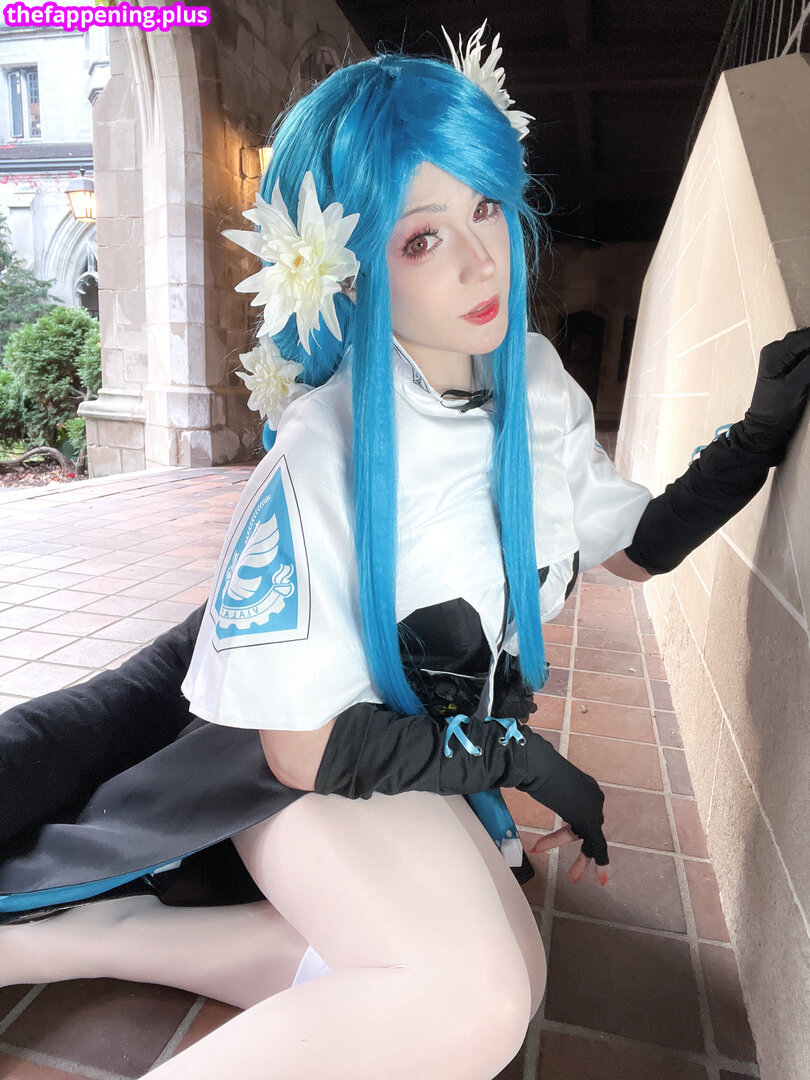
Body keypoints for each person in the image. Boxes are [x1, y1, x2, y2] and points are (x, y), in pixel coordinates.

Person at [2, 27, 809, 1080]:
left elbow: (630, 550)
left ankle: (84, 941)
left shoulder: (536, 378)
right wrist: (514, 757)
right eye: (421, 238)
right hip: (292, 776)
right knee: (471, 1000)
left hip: (419, 758)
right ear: (349, 269)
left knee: (506, 976)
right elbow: (298, 751)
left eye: (486, 208)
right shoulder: (325, 447)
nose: (482, 260)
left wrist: (754, 440)